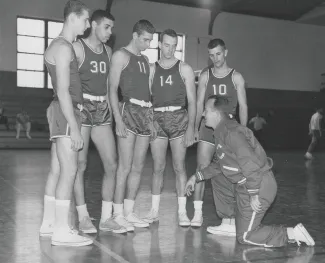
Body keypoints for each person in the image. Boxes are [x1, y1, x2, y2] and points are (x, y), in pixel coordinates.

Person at [185, 95, 315, 248]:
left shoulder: (231, 133)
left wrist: (254, 194)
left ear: (216, 113)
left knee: (246, 236)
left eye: (205, 110)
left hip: (259, 186)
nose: (202, 114)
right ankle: (229, 222)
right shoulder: (222, 132)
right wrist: (196, 177)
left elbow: (250, 163)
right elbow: (220, 165)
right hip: (245, 186)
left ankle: (292, 234)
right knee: (219, 176)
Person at [39, 0, 93, 247]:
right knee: (70, 171)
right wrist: (75, 127)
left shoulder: (60, 45)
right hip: (65, 111)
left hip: (61, 110)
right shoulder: (63, 47)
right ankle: (61, 230)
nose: (88, 24)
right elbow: (62, 91)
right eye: (85, 19)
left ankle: (49, 224)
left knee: (57, 169)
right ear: (73, 18)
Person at [72, 9, 126, 234]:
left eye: (111, 28)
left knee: (112, 164)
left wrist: (116, 116)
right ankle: (83, 216)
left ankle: (106, 218)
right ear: (93, 25)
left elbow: (110, 87)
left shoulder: (109, 51)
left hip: (102, 109)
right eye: (107, 27)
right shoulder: (77, 48)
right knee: (80, 164)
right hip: (83, 108)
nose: (110, 32)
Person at [191, 39, 248, 231]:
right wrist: (194, 126)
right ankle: (197, 213)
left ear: (226, 53)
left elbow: (244, 106)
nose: (215, 58)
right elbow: (199, 104)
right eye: (211, 54)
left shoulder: (236, 77)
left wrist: (244, 131)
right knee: (202, 166)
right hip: (207, 127)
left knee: (228, 171)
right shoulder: (206, 75)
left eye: (218, 54)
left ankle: (230, 219)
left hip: (228, 127)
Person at [142, 29, 196, 226]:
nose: (170, 49)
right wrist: (149, 122)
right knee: (158, 167)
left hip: (179, 118)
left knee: (179, 166)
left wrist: (192, 126)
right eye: (166, 44)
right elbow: (146, 100)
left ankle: (182, 212)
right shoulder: (151, 69)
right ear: (159, 43)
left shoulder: (185, 68)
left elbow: (192, 100)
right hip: (157, 119)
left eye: (174, 45)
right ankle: (154, 210)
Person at [109, 19, 156, 231]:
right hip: (128, 112)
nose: (148, 44)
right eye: (145, 39)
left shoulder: (145, 60)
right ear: (135, 35)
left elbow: (148, 92)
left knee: (138, 167)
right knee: (125, 167)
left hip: (145, 114)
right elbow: (111, 89)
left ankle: (129, 211)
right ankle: (117, 214)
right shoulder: (120, 55)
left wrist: (152, 120)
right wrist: (117, 119)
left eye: (150, 40)